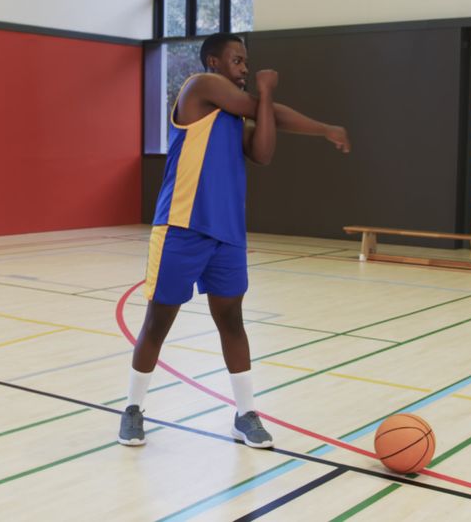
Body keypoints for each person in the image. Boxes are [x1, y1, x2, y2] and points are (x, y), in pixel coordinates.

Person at [119, 32, 351, 448]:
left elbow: (262, 151)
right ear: (213, 61)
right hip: (180, 226)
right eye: (237, 61)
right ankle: (133, 409)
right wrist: (272, 96)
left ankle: (245, 415)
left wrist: (315, 126)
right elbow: (264, 108)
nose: (244, 68)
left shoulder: (236, 117)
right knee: (159, 320)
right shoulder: (199, 86)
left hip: (226, 234)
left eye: (247, 62)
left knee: (232, 322)